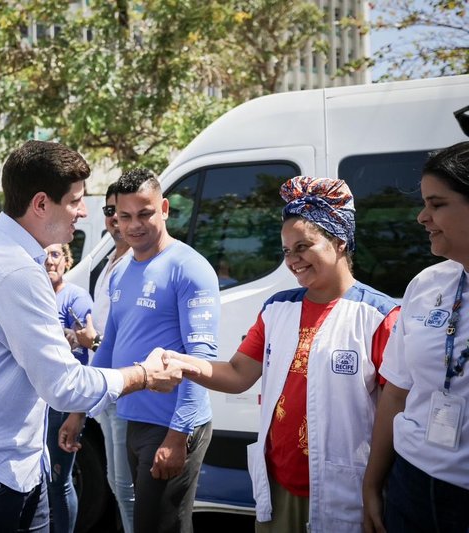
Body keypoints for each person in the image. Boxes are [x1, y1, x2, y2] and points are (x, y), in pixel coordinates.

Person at [0, 141, 198, 533]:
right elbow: (64, 385)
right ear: (41, 204)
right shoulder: (14, 270)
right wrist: (143, 375)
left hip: (10, 469)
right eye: (76, 201)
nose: (85, 212)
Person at [171, 176, 399, 532]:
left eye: (303, 247)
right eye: (286, 251)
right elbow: (237, 373)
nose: (293, 260)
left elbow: (392, 411)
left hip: (346, 487)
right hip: (279, 483)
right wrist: (183, 364)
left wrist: (373, 485)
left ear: (339, 241)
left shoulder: (378, 316)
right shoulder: (278, 309)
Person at [67, 168, 218, 533]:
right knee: (143, 522)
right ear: (114, 218)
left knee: (162, 526)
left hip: (171, 424)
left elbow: (202, 361)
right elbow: (109, 351)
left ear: (164, 208)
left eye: (145, 213)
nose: (134, 225)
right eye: (125, 216)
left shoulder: (189, 268)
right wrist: (78, 412)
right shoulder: (121, 272)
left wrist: (177, 436)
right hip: (135, 420)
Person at [363, 142, 469, 533]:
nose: (422, 217)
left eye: (437, 204)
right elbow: (396, 392)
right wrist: (373, 485)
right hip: (412, 485)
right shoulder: (427, 285)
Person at [65, 181, 136, 533]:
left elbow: (130, 340)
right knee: (115, 482)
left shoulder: (138, 264)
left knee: (127, 487)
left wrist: (92, 341)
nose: (114, 218)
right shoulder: (110, 262)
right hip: (104, 390)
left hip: (125, 389)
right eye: (110, 211)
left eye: (121, 212)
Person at [43, 243, 93, 533]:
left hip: (64, 403)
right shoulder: (34, 296)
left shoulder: (76, 299)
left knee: (59, 481)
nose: (49, 262)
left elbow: (92, 353)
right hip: (36, 401)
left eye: (55, 255)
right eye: (44, 256)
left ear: (66, 261)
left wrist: (79, 410)